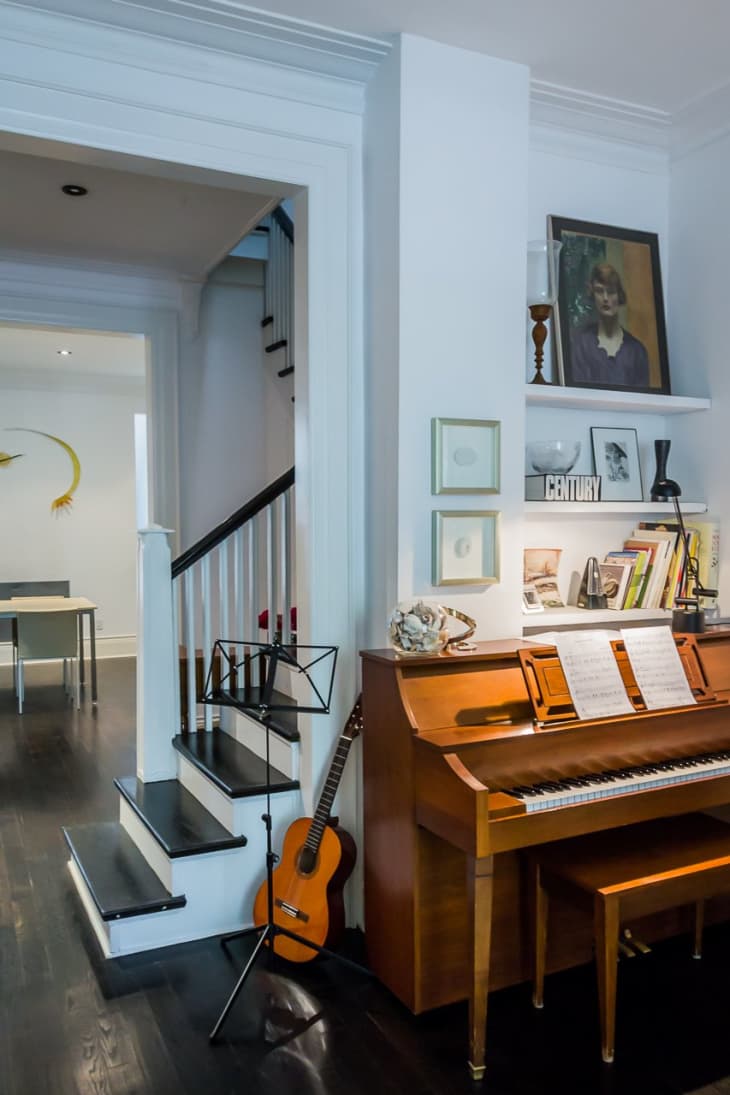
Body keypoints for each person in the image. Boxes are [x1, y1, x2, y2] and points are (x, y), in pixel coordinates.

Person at [569, 262, 650, 387]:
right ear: (593, 294)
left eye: (611, 292)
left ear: (619, 295)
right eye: (600, 291)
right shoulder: (580, 344)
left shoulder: (636, 351)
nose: (605, 298)